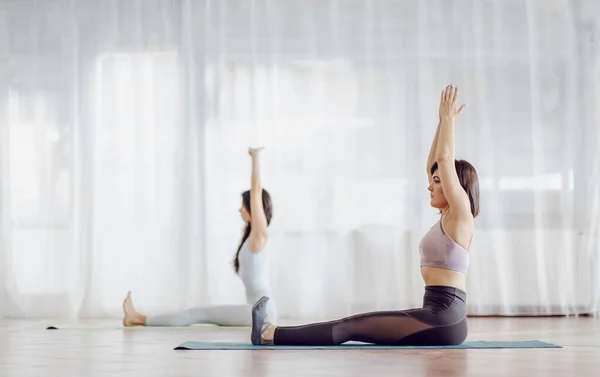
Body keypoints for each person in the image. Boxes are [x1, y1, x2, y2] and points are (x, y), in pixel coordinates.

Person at [250, 85, 479, 346]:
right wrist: (441, 122)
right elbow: (435, 164)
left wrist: (448, 120)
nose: (430, 184)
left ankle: (269, 334)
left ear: (454, 186)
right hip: (440, 315)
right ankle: (271, 332)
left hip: (444, 317)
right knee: (354, 324)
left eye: (438, 182)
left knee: (351, 327)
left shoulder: (460, 215)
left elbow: (444, 160)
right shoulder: (446, 216)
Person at [122, 147, 277, 327]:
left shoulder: (259, 235)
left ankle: (139, 319)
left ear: (254, 208)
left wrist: (255, 157)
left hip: (262, 312)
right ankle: (139, 318)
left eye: (244, 205)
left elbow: (256, 191)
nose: (240, 209)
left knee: (196, 313)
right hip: (257, 309)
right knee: (197, 313)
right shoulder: (251, 238)